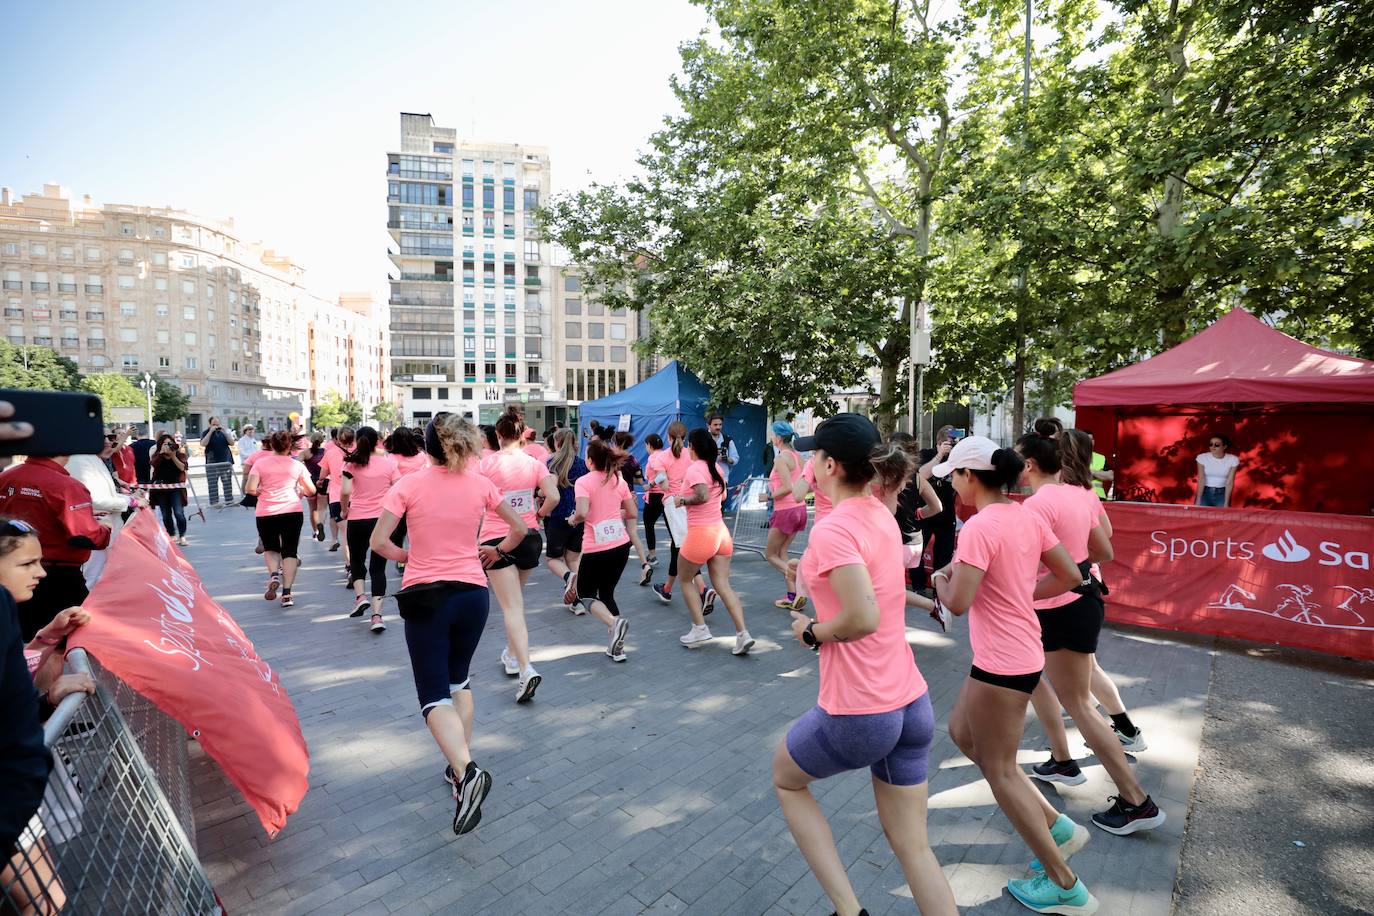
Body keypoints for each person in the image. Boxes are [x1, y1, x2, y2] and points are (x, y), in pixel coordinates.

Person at [775, 414, 957, 916]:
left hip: (860, 710)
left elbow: (861, 616)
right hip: (911, 703)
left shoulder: (835, 530)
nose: (810, 462)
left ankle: (848, 911)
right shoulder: (879, 511)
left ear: (830, 465)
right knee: (914, 848)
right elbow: (873, 587)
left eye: (815, 455)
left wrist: (810, 632)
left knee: (787, 779)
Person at [930, 436, 1101, 915]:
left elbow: (959, 603)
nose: (953, 488)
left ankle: (1065, 884)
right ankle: (1060, 829)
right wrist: (1022, 596)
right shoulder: (1025, 514)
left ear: (968, 476)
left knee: (1000, 770)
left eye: (955, 478)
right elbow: (1071, 574)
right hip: (1013, 655)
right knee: (963, 733)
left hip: (1003, 662)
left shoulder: (979, 527)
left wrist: (941, 578)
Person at [370, 414, 525, 836]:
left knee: (433, 694)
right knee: (459, 681)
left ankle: (467, 769)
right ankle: (458, 768)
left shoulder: (409, 485)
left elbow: (379, 542)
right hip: (473, 595)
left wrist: (410, 558)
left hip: (428, 596)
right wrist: (491, 552)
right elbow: (520, 529)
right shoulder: (481, 484)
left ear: (428, 446)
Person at [1015, 432, 1166, 842]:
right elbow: (1102, 552)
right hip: (1082, 604)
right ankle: (1064, 760)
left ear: (1030, 463)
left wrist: (1028, 592)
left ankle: (1136, 800)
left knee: (1080, 705)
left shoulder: (1040, 503)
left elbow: (1033, 564)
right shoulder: (1080, 495)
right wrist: (1072, 571)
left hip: (1059, 609)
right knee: (1062, 693)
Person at [479, 409, 558, 703]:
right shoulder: (535, 463)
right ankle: (512, 656)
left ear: (498, 435)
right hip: (529, 538)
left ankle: (525, 668)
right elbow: (555, 496)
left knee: (511, 608)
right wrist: (536, 515)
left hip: (496, 540)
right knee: (516, 604)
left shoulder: (486, 464)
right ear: (522, 434)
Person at [0, 455, 111, 640]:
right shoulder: (67, 486)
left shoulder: (6, 477)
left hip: (12, 574)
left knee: (21, 641)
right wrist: (105, 529)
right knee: (56, 644)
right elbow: (87, 537)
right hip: (59, 580)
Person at [676, 429, 753, 654]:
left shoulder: (694, 469)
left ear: (692, 447)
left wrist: (682, 500)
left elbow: (702, 496)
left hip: (702, 534)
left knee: (684, 580)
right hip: (721, 533)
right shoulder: (717, 468)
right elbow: (722, 497)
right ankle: (743, 634)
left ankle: (699, 627)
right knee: (723, 585)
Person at [568, 438, 635, 661]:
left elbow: (583, 512)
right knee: (606, 593)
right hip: (621, 546)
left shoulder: (583, 482)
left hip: (597, 548)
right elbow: (633, 512)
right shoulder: (618, 481)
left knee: (585, 595)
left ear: (590, 461)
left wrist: (572, 519)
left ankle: (614, 623)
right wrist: (613, 516)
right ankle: (618, 648)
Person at [245, 430, 315, 609]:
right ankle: (287, 593)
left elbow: (250, 488)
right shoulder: (296, 465)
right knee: (290, 551)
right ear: (289, 446)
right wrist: (300, 491)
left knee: (271, 548)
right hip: (291, 511)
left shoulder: (260, 464)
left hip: (266, 512)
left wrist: (260, 491)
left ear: (272, 445)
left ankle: (274, 575)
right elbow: (311, 491)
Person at [340, 427, 400, 633]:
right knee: (378, 568)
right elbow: (398, 488)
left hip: (357, 518)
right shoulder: (389, 464)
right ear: (378, 442)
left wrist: (344, 510)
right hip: (381, 520)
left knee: (356, 559)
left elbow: (346, 491)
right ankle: (377, 616)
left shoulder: (351, 463)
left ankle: (360, 597)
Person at [650, 421, 710, 607]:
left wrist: (659, 481)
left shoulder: (661, 458)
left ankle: (703, 589)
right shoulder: (691, 455)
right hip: (689, 501)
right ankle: (667, 588)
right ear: (685, 438)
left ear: (668, 437)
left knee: (682, 547)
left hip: (673, 503)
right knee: (679, 546)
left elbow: (665, 485)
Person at [66, 434, 134, 586]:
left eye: (111, 437)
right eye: (103, 436)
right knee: (94, 577)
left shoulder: (94, 459)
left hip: (108, 526)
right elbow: (93, 499)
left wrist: (130, 497)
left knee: (107, 575)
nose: (108, 442)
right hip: (96, 526)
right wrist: (130, 501)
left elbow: (107, 493)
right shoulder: (79, 460)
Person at [543, 428, 588, 616]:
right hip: (577, 517)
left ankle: (569, 577)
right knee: (573, 558)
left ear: (557, 443)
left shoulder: (550, 463)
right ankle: (578, 601)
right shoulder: (582, 464)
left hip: (556, 517)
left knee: (553, 559)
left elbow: (546, 491)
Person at [765, 421, 808, 609]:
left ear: (779, 438)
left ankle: (800, 580)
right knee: (782, 552)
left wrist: (767, 496)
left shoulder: (781, 458)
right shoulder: (798, 457)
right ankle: (793, 596)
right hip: (799, 509)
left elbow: (787, 487)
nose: (771, 438)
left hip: (786, 510)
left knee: (770, 554)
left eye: (772, 435)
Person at [912, 426, 959, 594]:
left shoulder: (957, 458)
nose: (950, 447)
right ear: (939, 442)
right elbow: (920, 475)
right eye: (948, 443)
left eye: (953, 443)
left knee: (944, 554)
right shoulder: (927, 454)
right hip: (924, 512)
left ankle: (939, 590)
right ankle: (918, 587)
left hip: (946, 514)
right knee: (917, 551)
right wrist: (939, 455)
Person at [611, 431, 654, 586]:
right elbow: (639, 480)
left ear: (617, 443)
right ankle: (644, 564)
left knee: (613, 531)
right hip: (631, 498)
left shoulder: (613, 460)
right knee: (633, 532)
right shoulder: (633, 460)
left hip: (616, 500)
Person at [319, 427, 355, 556]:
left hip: (336, 497)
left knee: (345, 533)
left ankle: (350, 565)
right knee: (358, 535)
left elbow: (323, 474)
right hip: (357, 498)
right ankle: (358, 564)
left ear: (337, 439)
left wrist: (320, 480)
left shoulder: (330, 452)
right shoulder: (360, 451)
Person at [149, 432, 190, 545]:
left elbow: (182, 467)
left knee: (178, 513)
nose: (168, 446)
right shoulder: (157, 455)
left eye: (170, 443)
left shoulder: (179, 455)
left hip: (176, 488)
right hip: (161, 489)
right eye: (165, 444)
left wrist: (172, 456)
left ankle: (182, 535)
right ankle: (172, 534)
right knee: (166, 514)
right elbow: (154, 464)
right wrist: (162, 453)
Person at [641, 433, 668, 568]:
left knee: (649, 524)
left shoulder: (653, 458)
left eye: (646, 445)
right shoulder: (666, 455)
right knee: (671, 526)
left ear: (649, 445)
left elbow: (661, 475)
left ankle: (652, 555)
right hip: (667, 495)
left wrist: (650, 485)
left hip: (655, 496)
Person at [1194, 433, 1238, 508]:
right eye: (1211, 444)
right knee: (1200, 516)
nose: (1213, 447)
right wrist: (1198, 499)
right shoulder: (1202, 457)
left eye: (1217, 445)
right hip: (1205, 492)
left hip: (1222, 493)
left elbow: (1230, 482)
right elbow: (1201, 479)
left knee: (1222, 517)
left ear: (1224, 446)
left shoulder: (1233, 459)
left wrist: (1226, 502)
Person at [200, 417, 235, 507]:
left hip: (225, 461)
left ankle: (229, 501)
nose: (216, 426)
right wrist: (211, 431)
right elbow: (203, 444)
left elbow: (232, 443)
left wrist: (225, 433)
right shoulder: (206, 432)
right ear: (210, 424)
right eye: (214, 424)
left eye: (217, 424)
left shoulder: (224, 432)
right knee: (212, 484)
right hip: (212, 462)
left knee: (227, 483)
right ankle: (214, 502)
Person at [302, 433, 327, 541]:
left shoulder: (305, 453)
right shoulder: (326, 452)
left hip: (310, 481)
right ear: (322, 440)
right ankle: (320, 523)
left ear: (311, 440)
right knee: (322, 507)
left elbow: (296, 462)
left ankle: (315, 531)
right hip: (323, 480)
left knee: (312, 509)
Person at [707, 413, 738, 489]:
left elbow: (736, 458)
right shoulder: (702, 439)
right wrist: (714, 455)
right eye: (715, 425)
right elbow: (695, 458)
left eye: (720, 425)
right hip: (706, 480)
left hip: (722, 481)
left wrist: (727, 459)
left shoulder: (727, 440)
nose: (718, 427)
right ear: (708, 425)